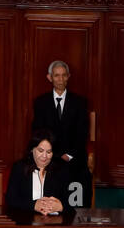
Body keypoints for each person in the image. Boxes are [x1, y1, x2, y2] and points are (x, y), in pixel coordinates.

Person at [31, 60, 92, 206]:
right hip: (49, 157)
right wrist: (53, 155)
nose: (60, 79)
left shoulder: (80, 102)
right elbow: (38, 133)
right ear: (49, 77)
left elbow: (82, 133)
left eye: (64, 75)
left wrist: (68, 155)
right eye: (57, 75)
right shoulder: (40, 102)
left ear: (68, 76)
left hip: (74, 157)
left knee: (79, 174)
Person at [5, 131, 75, 215]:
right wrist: (33, 205)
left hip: (54, 223)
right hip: (25, 222)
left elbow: (72, 204)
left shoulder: (61, 170)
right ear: (32, 150)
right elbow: (11, 200)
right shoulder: (19, 168)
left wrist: (61, 206)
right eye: (40, 151)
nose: (44, 156)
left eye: (49, 152)